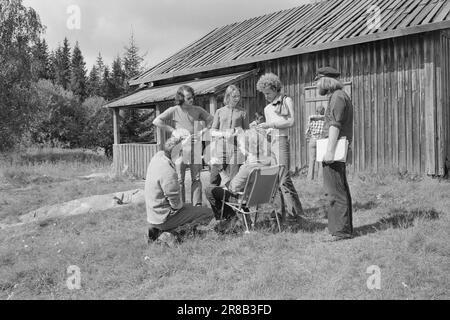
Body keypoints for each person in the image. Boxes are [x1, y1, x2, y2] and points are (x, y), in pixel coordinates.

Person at [153, 85, 214, 206]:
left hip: (195, 149)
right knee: (179, 179)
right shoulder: (174, 110)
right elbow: (156, 121)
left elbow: (212, 120)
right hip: (179, 150)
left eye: (192, 97)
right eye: (188, 98)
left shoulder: (197, 110)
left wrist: (202, 132)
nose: (192, 100)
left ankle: (197, 206)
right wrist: (173, 131)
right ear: (181, 98)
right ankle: (180, 206)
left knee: (196, 178)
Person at [145, 136, 214, 242]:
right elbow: (176, 206)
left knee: (191, 208)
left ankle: (157, 231)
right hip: (163, 218)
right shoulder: (168, 172)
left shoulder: (157, 158)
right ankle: (173, 234)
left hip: (153, 214)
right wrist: (186, 208)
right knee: (207, 213)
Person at [256, 73, 304, 223]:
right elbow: (270, 130)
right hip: (272, 143)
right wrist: (262, 129)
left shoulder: (286, 100)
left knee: (284, 178)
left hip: (282, 141)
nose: (266, 96)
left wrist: (271, 125)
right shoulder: (267, 108)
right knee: (274, 180)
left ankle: (294, 214)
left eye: (268, 93)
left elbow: (291, 122)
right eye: (264, 94)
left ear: (276, 88)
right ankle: (278, 213)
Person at [315, 66, 354, 242]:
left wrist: (329, 151)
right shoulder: (338, 96)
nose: (316, 85)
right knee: (338, 188)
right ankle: (340, 228)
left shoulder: (338, 97)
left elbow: (335, 125)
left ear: (325, 80)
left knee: (335, 191)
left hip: (334, 150)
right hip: (336, 148)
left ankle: (341, 231)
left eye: (317, 81)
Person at [205, 128, 271, 222]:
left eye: (241, 145)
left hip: (245, 199)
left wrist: (220, 169)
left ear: (248, 147)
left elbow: (232, 189)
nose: (239, 147)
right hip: (263, 196)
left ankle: (230, 220)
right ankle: (242, 220)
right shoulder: (269, 162)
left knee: (209, 190)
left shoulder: (248, 168)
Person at [209, 85, 249, 187]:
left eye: (238, 96)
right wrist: (223, 134)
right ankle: (215, 201)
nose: (237, 99)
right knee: (214, 178)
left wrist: (239, 131)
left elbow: (247, 132)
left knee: (234, 179)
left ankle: (231, 201)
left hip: (237, 149)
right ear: (228, 96)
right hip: (221, 148)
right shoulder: (219, 111)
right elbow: (212, 131)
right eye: (234, 96)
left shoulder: (243, 112)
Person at [305, 105, 325, 180]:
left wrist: (308, 138)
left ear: (317, 111)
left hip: (313, 139)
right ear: (323, 111)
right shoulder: (325, 119)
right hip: (321, 140)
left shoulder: (311, 119)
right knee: (320, 160)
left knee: (311, 160)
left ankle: (310, 178)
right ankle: (320, 178)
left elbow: (307, 131)